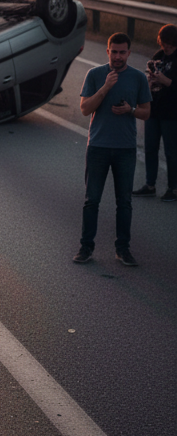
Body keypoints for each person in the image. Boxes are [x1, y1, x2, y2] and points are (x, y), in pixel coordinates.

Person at [73, 32, 151, 266]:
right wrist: (105, 88)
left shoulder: (138, 78)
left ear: (129, 52)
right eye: (113, 52)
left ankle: (122, 249)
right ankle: (86, 248)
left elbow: (146, 112)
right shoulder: (95, 75)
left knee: (124, 202)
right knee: (91, 200)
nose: (117, 56)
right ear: (107, 51)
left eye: (122, 52)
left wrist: (130, 110)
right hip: (98, 146)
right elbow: (85, 108)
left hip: (125, 149)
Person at [132, 23, 177, 202]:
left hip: (172, 113)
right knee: (150, 148)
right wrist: (150, 82)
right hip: (153, 108)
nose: (167, 47)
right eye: (164, 43)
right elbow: (150, 81)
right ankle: (150, 185)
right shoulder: (158, 56)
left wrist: (166, 81)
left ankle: (173, 188)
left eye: (171, 44)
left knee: (171, 152)